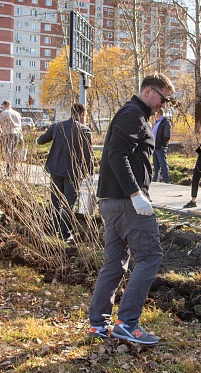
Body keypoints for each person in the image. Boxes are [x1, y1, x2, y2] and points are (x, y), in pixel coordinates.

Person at [88, 73, 175, 345]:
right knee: (150, 257)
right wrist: (136, 194)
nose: (163, 105)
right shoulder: (133, 115)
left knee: (114, 263)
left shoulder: (135, 114)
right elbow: (116, 155)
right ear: (148, 91)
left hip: (113, 200)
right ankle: (127, 323)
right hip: (126, 202)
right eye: (162, 98)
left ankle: (98, 324)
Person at [36, 102, 94, 240]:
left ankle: (54, 229)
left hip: (55, 169)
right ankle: (65, 233)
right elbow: (88, 154)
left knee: (56, 201)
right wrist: (89, 172)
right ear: (82, 114)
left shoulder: (57, 126)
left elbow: (41, 140)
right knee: (69, 203)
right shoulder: (84, 130)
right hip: (72, 173)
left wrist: (37, 140)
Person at [0, 100, 22, 172]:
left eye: (3, 105)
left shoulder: (4, 113)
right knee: (12, 151)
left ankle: (9, 168)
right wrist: (21, 137)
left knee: (8, 152)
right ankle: (13, 165)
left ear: (5, 105)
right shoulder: (17, 114)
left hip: (7, 134)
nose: (2, 107)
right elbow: (20, 126)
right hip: (16, 134)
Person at [151, 107, 171, 183]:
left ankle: (166, 180)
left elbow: (167, 135)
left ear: (159, 112)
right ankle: (155, 180)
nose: (155, 114)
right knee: (156, 165)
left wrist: (162, 144)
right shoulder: (157, 122)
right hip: (155, 146)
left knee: (163, 164)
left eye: (156, 112)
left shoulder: (165, 122)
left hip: (160, 147)